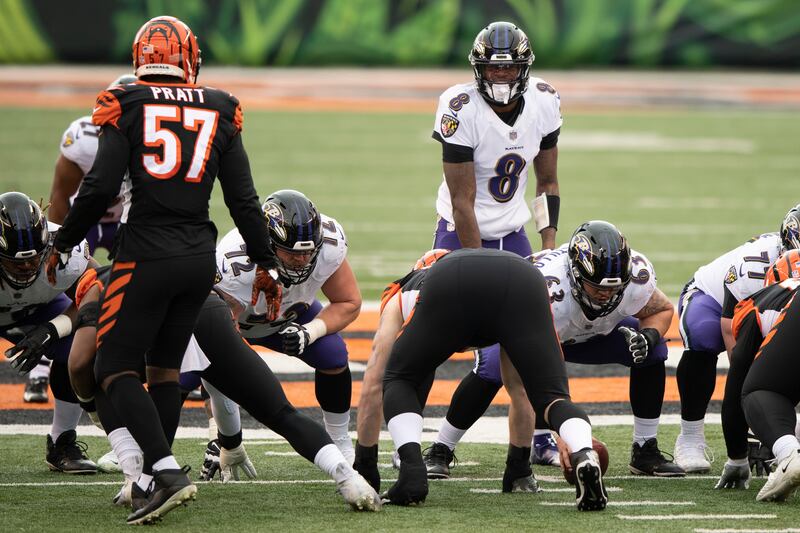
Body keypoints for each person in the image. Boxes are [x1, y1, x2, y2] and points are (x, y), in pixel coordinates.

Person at [44, 15, 281, 525]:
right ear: (190, 58)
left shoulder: (125, 102)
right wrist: (265, 262)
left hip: (145, 252)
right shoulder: (221, 106)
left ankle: (165, 472)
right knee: (165, 370)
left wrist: (62, 241)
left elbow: (100, 187)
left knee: (111, 368)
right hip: (200, 259)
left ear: (139, 59)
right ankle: (155, 476)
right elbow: (243, 200)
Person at [66, 265, 380, 512]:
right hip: (207, 310)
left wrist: (92, 408)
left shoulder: (93, 284)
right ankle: (347, 477)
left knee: (107, 374)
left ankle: (141, 479)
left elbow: (79, 364)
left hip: (169, 321)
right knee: (281, 413)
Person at [426, 221, 685, 478]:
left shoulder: (635, 278)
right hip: (522, 325)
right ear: (575, 274)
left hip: (587, 332)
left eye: (613, 289)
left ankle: (645, 449)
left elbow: (661, 309)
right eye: (598, 288)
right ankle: (441, 448)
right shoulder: (548, 290)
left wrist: (649, 336)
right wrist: (564, 432)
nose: (606, 296)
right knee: (492, 370)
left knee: (652, 351)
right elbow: (543, 374)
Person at [428, 20, 565, 471]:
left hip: (516, 236)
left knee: (530, 348)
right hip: (459, 237)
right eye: (492, 69)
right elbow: (464, 203)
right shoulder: (459, 105)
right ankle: (432, 442)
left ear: (523, 69)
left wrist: (547, 246)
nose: (501, 78)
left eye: (509, 70)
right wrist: (480, 265)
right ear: (477, 69)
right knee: (445, 346)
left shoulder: (544, 101)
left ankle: (537, 438)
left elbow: (546, 182)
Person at [380, 247, 608, 511]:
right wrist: (518, 466)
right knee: (552, 397)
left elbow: (379, 368)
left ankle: (412, 472)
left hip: (452, 283)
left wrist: (364, 460)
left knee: (400, 378)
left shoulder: (403, 289)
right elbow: (516, 388)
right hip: (525, 280)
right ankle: (580, 452)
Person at [214, 189, 360, 463]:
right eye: (292, 253)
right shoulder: (235, 264)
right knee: (182, 375)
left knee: (333, 354)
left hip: (289, 318)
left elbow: (349, 302)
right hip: (234, 326)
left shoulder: (328, 243)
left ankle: (340, 441)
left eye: (308, 253)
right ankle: (143, 450)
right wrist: (224, 437)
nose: (302, 261)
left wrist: (310, 331)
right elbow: (214, 350)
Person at [24, 74, 138, 405]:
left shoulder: (157, 140)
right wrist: (57, 244)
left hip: (127, 220)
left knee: (133, 290)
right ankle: (40, 369)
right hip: (82, 218)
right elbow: (60, 196)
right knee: (59, 285)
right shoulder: (85, 138)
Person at [672, 206, 796, 473]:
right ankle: (690, 437)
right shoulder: (754, 267)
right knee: (704, 338)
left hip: (777, 309)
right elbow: (731, 333)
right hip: (716, 303)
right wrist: (750, 419)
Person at [0, 191, 98, 474]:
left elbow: (96, 293)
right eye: (16, 262)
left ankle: (61, 442)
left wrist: (51, 330)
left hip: (39, 307)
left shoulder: (65, 247)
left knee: (82, 346)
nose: (28, 268)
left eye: (34, 259)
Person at [715, 250, 800, 500]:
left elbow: (737, 386)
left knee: (759, 392)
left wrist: (737, 457)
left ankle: (788, 457)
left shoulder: (761, 300)